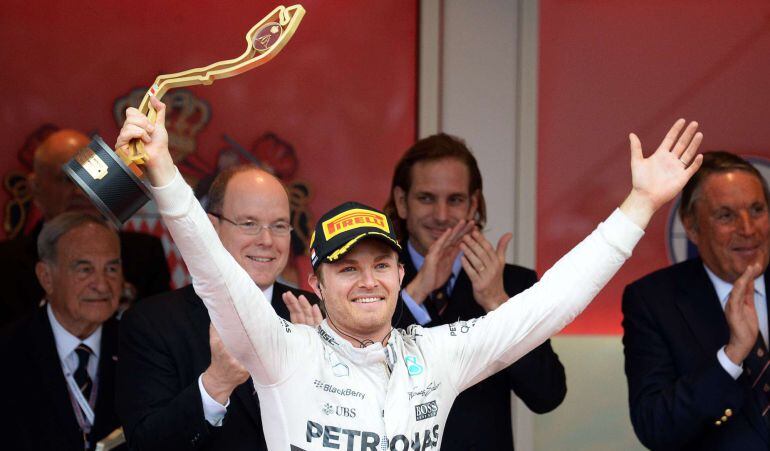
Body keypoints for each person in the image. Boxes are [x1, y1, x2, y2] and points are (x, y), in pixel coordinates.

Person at [118, 96, 701, 450]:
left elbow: (551, 301)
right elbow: (214, 270)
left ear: (401, 276)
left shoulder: (438, 354)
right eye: (346, 269)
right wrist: (165, 171)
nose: (367, 281)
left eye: (381, 265)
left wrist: (640, 207)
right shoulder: (283, 348)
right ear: (315, 283)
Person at [117, 164, 321, 450]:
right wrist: (216, 384)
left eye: (278, 226)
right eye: (249, 224)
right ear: (211, 227)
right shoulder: (153, 322)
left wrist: (318, 375)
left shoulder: (318, 313)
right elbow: (146, 443)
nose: (266, 240)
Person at [384, 133, 565, 449]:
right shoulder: (372, 282)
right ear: (402, 202)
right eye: (426, 198)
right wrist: (415, 292)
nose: (441, 215)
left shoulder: (513, 285)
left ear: (473, 203)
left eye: (454, 200)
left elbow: (547, 395)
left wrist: (499, 304)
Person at [623, 151, 770, 450]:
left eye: (757, 210)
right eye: (726, 215)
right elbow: (654, 426)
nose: (748, 229)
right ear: (691, 226)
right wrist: (731, 357)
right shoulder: (653, 301)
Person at [0, 129, 170, 326]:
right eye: (68, 179)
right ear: (35, 187)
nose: (81, 191)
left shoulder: (144, 254)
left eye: (91, 176)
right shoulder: (6, 263)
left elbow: (160, 334)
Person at [0, 213, 123, 450]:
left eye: (111, 269)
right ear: (46, 277)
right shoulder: (8, 351)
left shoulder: (139, 348)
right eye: (85, 269)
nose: (102, 285)